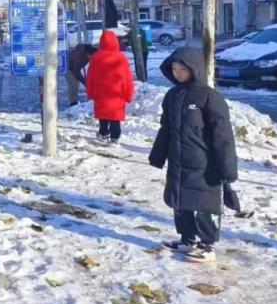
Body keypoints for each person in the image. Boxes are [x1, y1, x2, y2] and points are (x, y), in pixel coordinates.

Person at [149, 48, 238, 264]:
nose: (178, 73)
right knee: (180, 201)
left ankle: (207, 245)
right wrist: (158, 155)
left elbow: (223, 135)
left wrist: (227, 168)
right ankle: (187, 239)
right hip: (178, 160)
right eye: (174, 69)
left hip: (205, 163)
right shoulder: (172, 95)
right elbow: (166, 128)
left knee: (205, 203)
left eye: (183, 69)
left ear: (194, 69)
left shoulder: (209, 97)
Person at [85, 30, 135, 144]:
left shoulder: (96, 57)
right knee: (115, 115)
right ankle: (115, 137)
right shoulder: (121, 57)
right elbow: (128, 77)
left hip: (100, 93)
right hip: (118, 93)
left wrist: (90, 93)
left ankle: (103, 133)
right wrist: (129, 94)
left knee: (103, 113)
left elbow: (90, 77)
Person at [66, 42, 98, 107]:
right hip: (69, 69)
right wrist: (85, 82)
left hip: (75, 68)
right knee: (73, 84)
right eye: (91, 57)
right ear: (88, 53)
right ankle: (73, 103)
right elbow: (76, 71)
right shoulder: (79, 55)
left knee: (76, 83)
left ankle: (74, 101)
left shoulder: (87, 54)